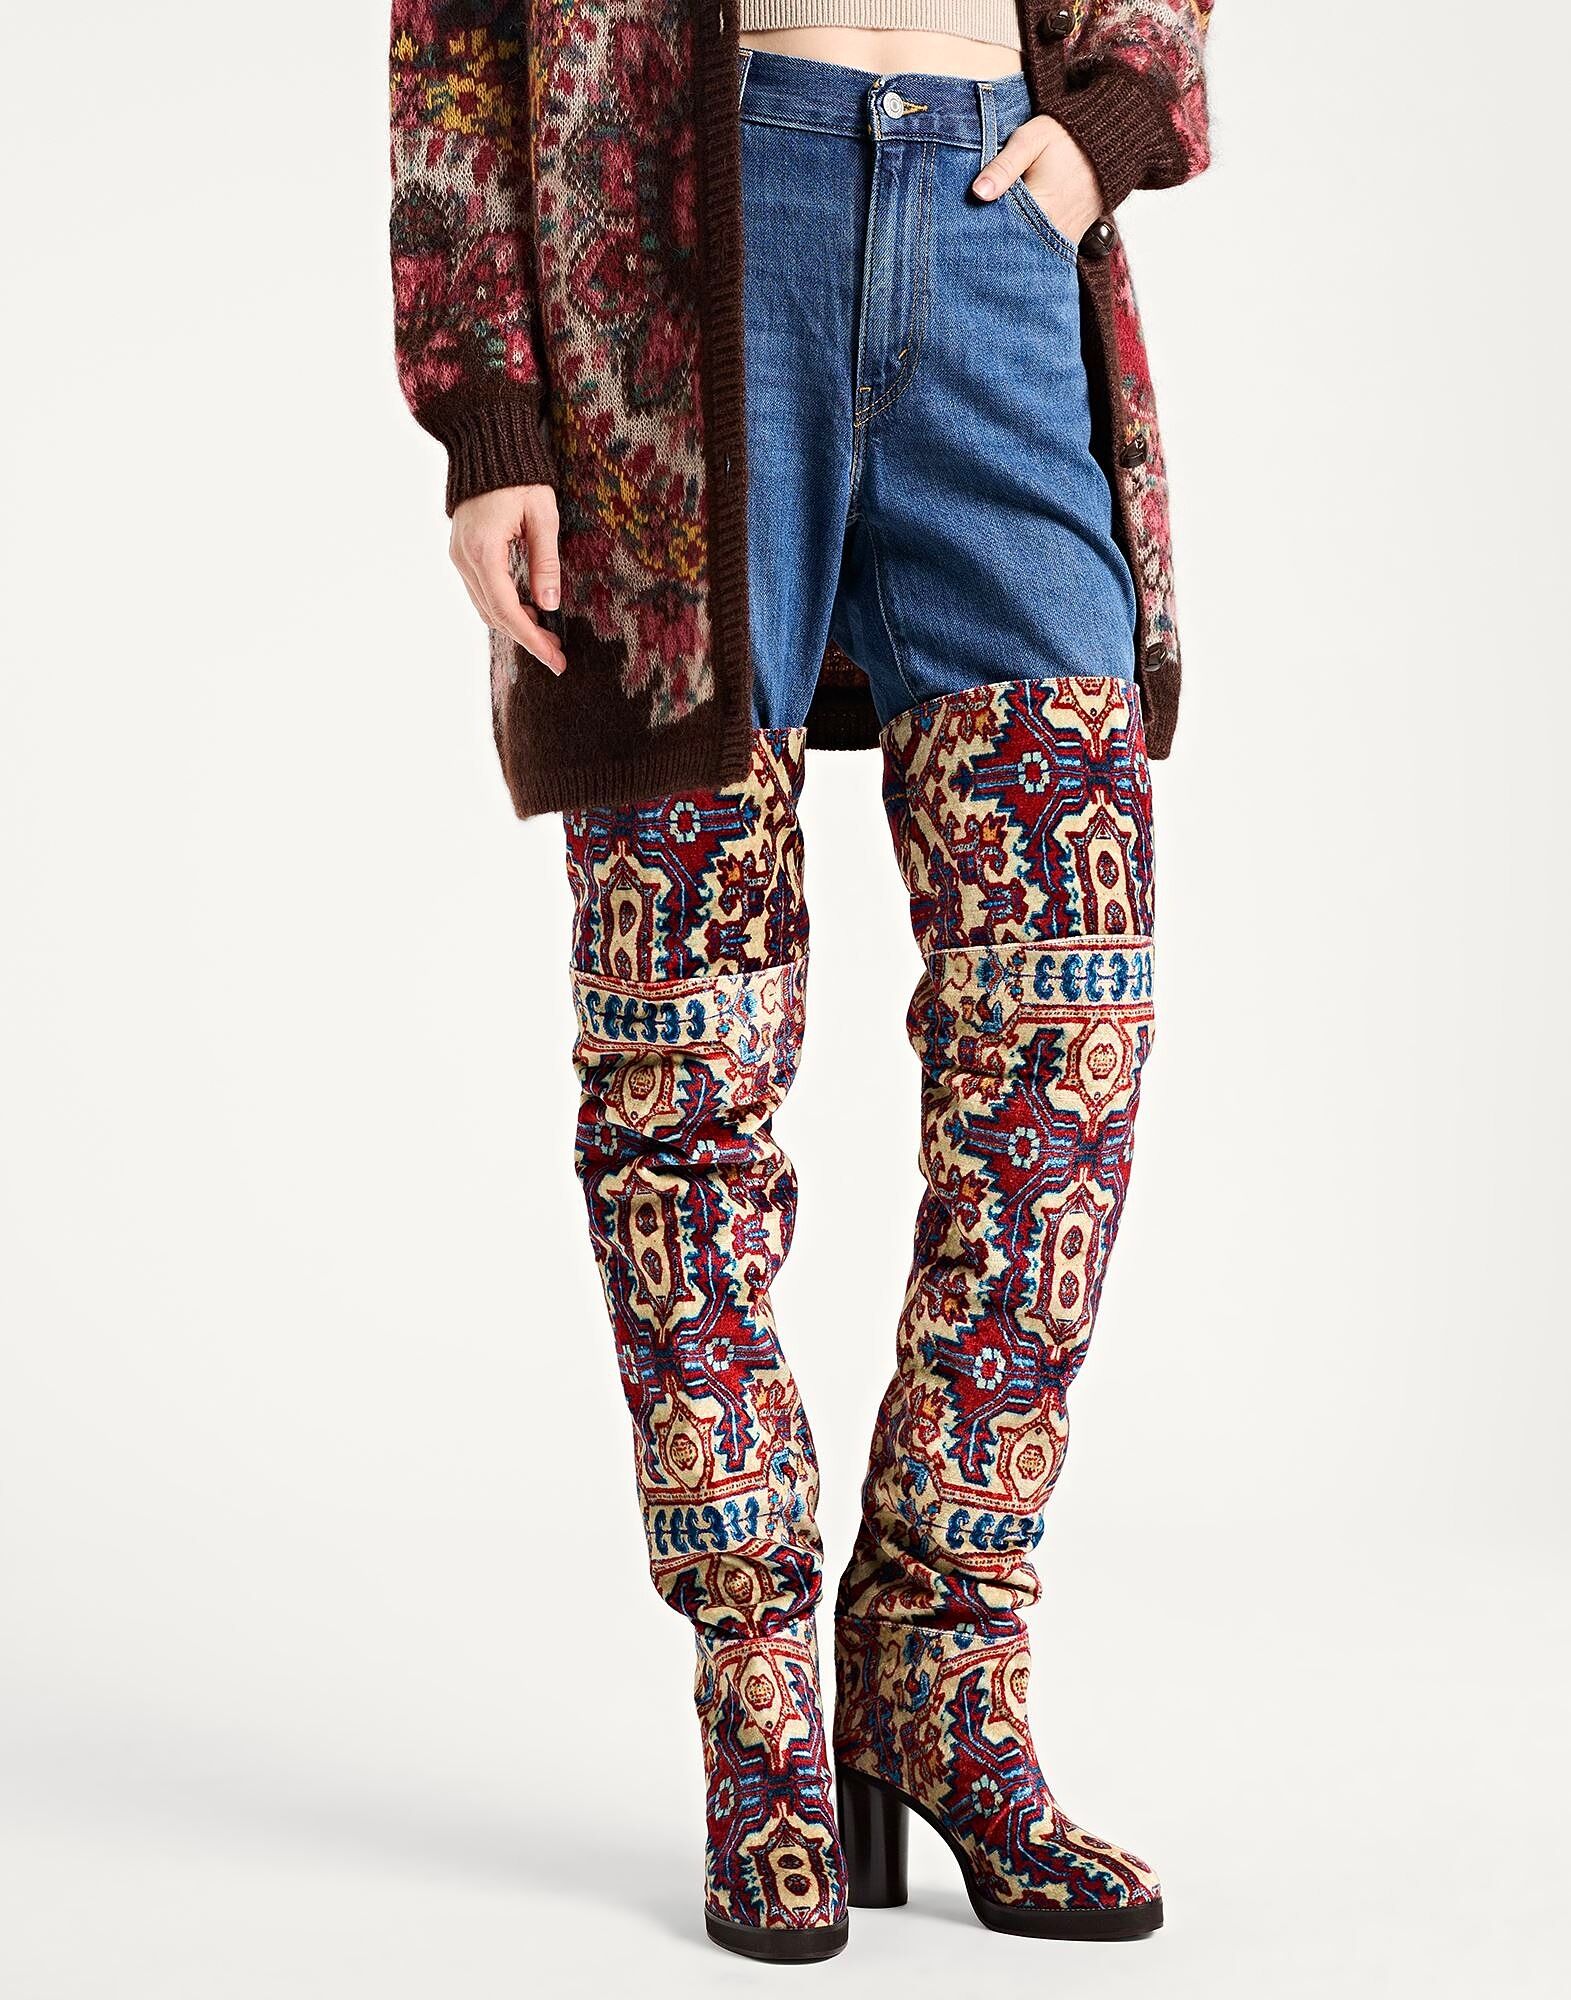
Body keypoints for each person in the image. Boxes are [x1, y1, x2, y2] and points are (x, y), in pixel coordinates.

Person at [390, 0, 1212, 1965]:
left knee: (1069, 1016)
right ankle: (759, 1690)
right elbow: (450, 42)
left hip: (996, 230)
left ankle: (941, 1660)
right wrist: (490, 412)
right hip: (679, 249)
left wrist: (1111, 119)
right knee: (682, 1053)